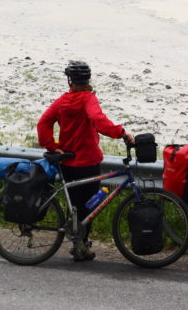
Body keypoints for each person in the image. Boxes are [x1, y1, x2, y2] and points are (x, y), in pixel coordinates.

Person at [37, 60, 135, 262]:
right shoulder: (88, 99)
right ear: (88, 79)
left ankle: (77, 243)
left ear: (70, 80)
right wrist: (121, 133)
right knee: (90, 206)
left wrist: (51, 145)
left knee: (75, 205)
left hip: (67, 161)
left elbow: (43, 123)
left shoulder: (62, 101)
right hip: (89, 161)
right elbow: (98, 120)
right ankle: (82, 244)